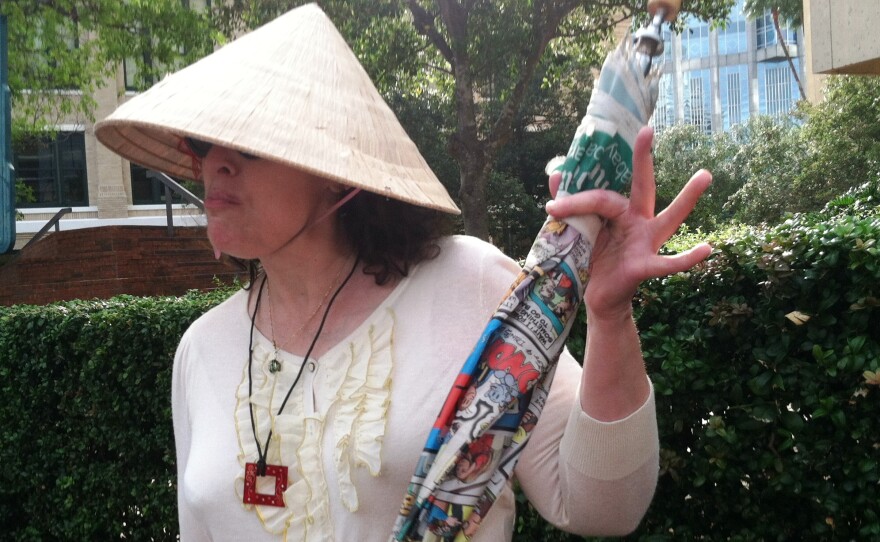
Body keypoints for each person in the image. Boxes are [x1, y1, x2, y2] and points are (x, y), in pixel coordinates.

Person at [95, 4, 711, 542]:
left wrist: (608, 316)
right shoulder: (201, 350)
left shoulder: (467, 283)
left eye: (249, 147)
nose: (216, 168)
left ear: (334, 170)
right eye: (204, 147)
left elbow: (602, 505)